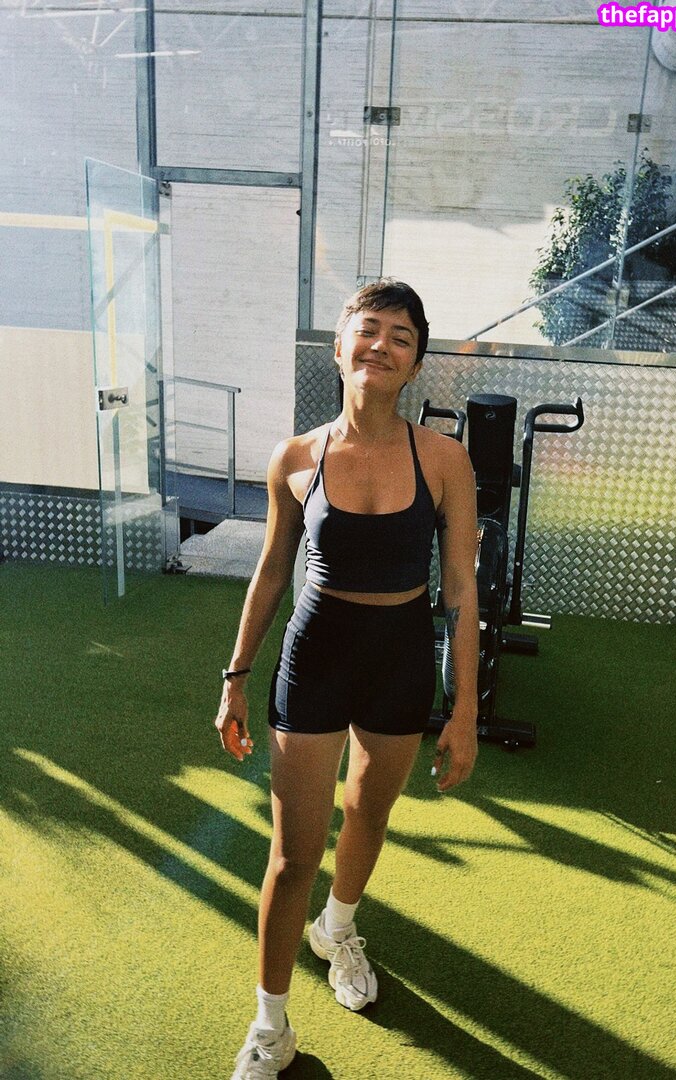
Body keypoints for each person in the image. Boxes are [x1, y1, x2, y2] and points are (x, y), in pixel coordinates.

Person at [216, 279, 479, 1079]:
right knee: (293, 853)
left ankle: (338, 928)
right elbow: (271, 571)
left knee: (368, 810)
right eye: (369, 329)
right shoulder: (296, 457)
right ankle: (270, 1027)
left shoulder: (444, 460)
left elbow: (461, 589)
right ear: (340, 348)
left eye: (402, 337)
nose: (382, 346)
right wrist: (235, 676)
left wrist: (464, 710)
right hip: (317, 655)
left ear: (416, 364)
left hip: (400, 657)